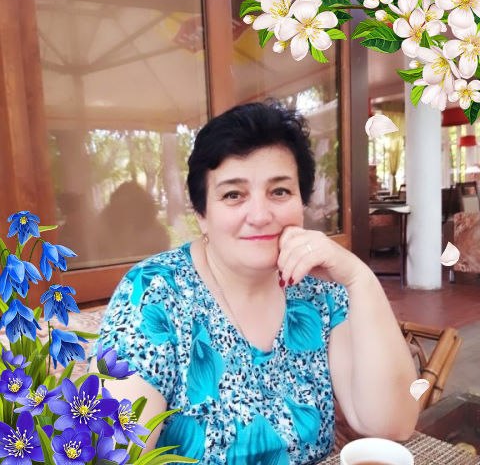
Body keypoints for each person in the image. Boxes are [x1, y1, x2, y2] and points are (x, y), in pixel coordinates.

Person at [93, 101, 419, 464]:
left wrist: (359, 279)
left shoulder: (319, 290)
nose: (261, 216)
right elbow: (114, 454)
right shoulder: (154, 293)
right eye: (233, 195)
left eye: (279, 192)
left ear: (301, 202)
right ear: (201, 214)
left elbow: (392, 424)